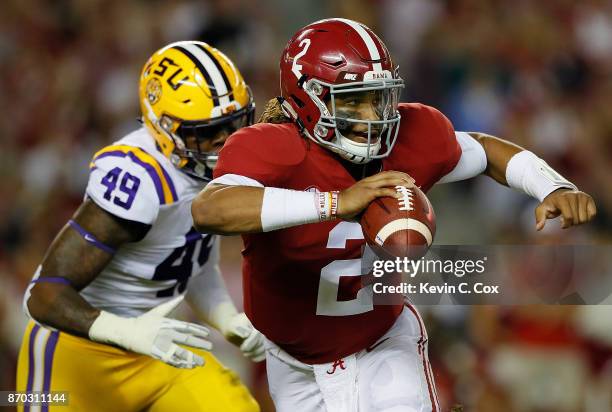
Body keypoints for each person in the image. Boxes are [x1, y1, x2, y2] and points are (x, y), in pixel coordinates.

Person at [191, 18, 597, 412]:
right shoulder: (271, 149)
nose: (373, 116)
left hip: (383, 338)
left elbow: (483, 150)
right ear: (306, 100)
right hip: (292, 361)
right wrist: (335, 202)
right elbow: (211, 209)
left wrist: (552, 185)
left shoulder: (413, 134)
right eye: (353, 101)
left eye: (377, 97)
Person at [17, 41, 264, 412]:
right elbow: (44, 294)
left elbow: (188, 259)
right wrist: (129, 332)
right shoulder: (140, 179)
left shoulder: (212, 172)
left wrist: (226, 317)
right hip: (76, 353)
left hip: (158, 347)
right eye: (209, 132)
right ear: (165, 128)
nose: (226, 143)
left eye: (233, 124)